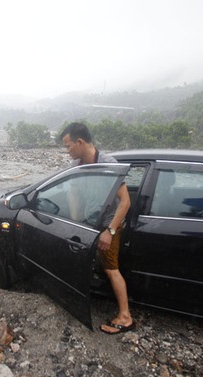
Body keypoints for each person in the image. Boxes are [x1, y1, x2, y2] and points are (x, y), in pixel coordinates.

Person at [59, 122, 134, 335]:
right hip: (90, 223)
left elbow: (125, 203)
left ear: (80, 142)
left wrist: (109, 232)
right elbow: (72, 191)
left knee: (111, 268)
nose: (67, 151)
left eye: (68, 145)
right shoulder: (79, 164)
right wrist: (75, 222)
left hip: (109, 225)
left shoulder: (108, 164)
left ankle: (126, 317)